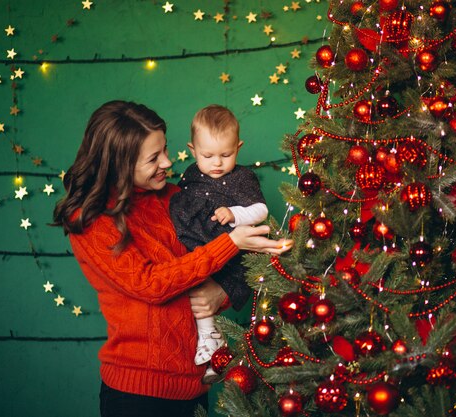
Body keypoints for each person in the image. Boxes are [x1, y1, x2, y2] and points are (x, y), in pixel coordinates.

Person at [52, 100, 292, 417]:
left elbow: (215, 267)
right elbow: (151, 284)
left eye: (165, 149)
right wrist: (231, 243)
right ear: (119, 164)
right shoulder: (93, 219)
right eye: (154, 158)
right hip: (138, 394)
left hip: (193, 388)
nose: (168, 161)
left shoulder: (174, 197)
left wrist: (222, 292)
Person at [169, 105, 268, 380]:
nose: (217, 163)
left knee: (211, 287)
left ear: (239, 147)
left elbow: (261, 211)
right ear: (192, 150)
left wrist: (235, 214)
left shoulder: (242, 178)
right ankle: (209, 340)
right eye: (207, 155)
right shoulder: (189, 175)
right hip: (200, 243)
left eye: (226, 155)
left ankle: (213, 343)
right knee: (195, 283)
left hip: (230, 249)